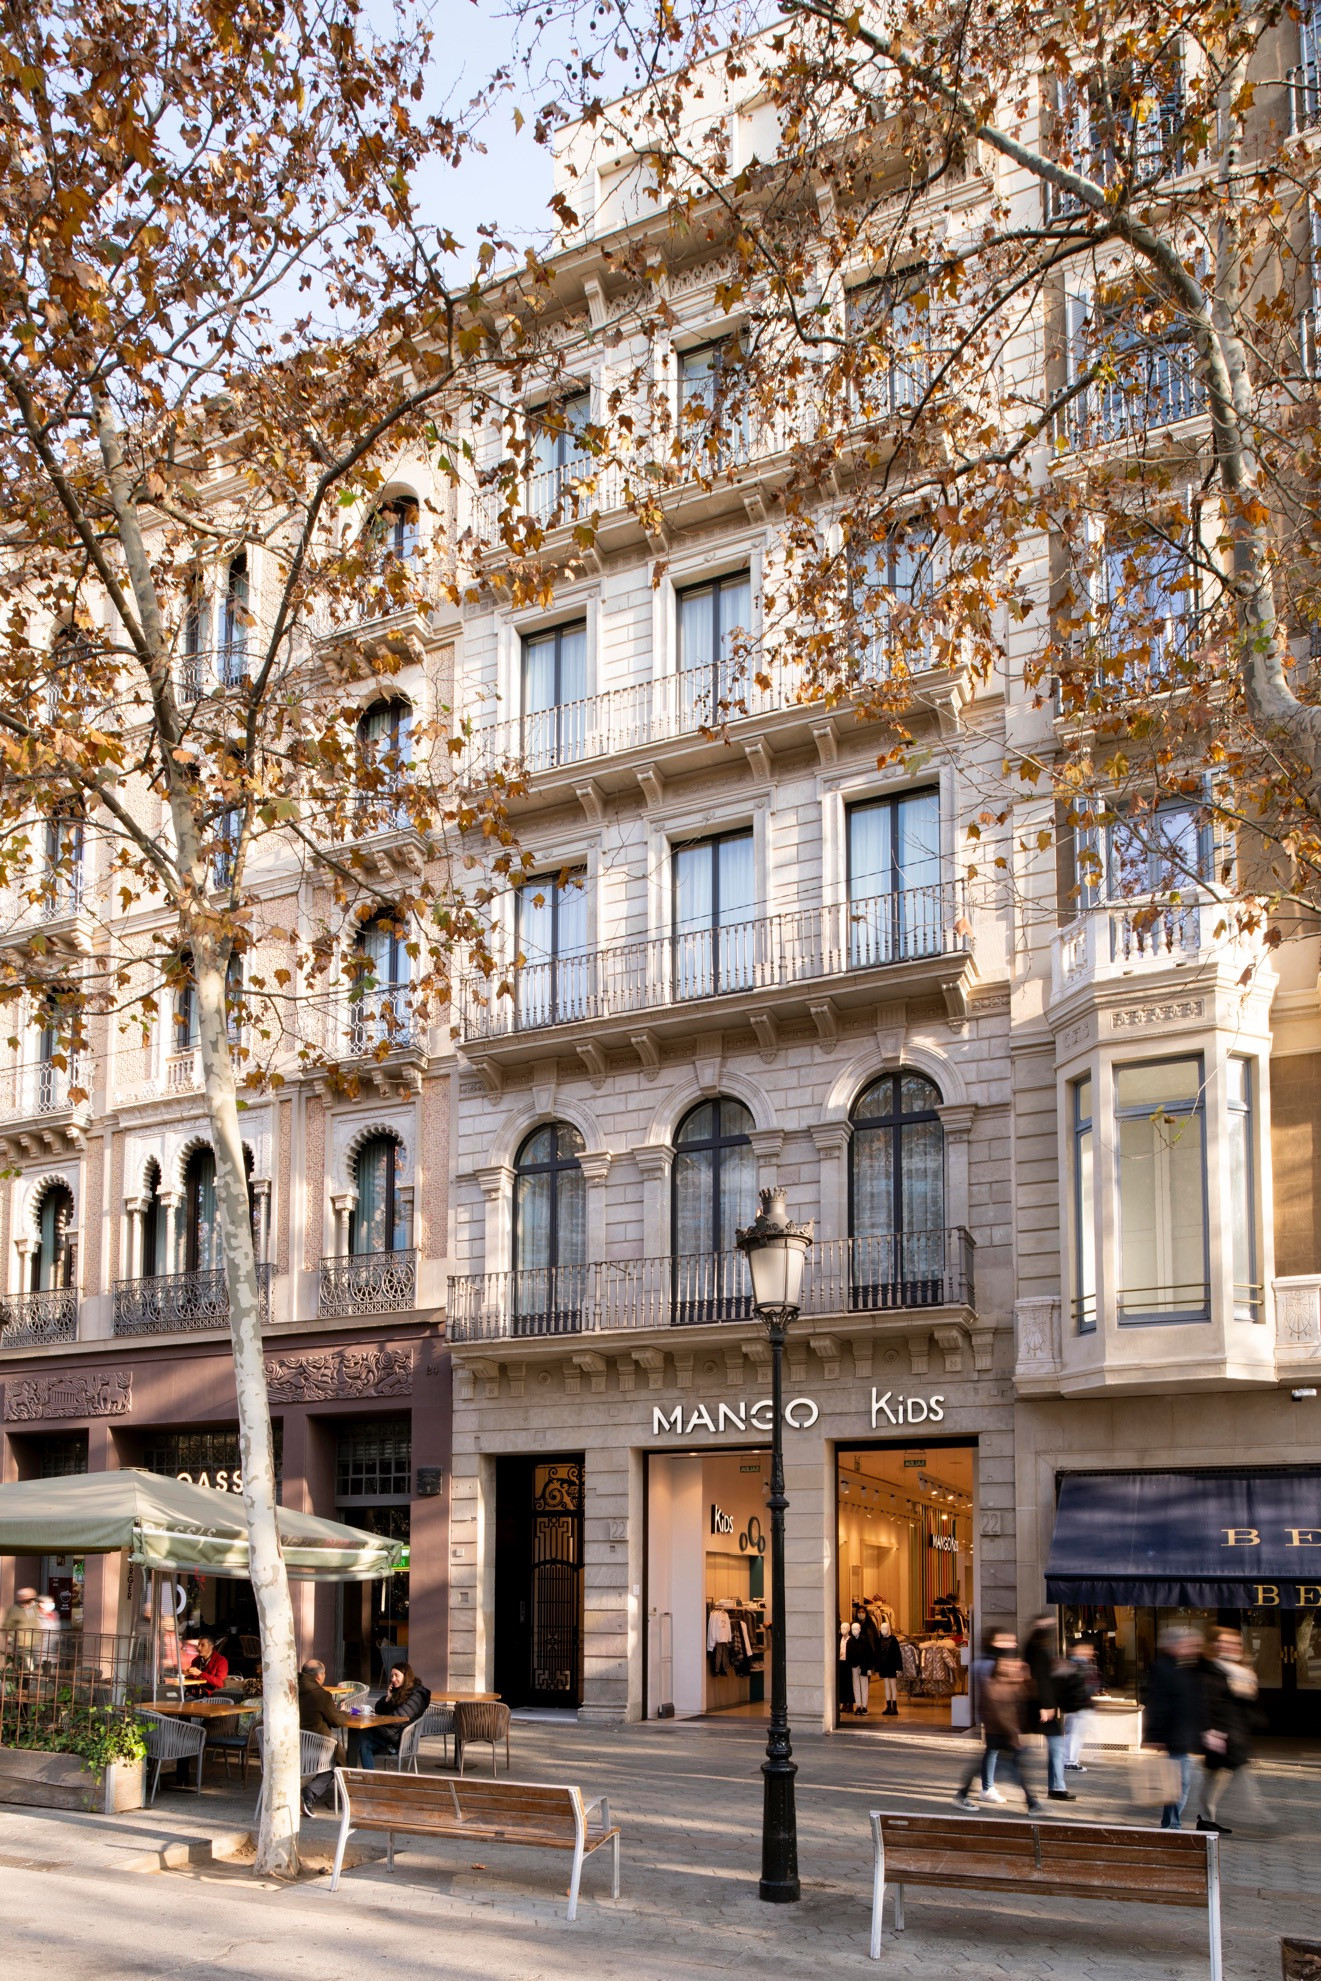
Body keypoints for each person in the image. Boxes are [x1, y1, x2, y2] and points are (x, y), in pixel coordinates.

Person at [954, 1655, 1041, 1813]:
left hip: (1003, 1733)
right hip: (998, 1733)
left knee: (998, 1765)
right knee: (1013, 1767)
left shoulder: (1012, 1684)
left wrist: (1026, 1678)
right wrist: (1013, 1734)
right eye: (1008, 1665)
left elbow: (1028, 1699)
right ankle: (1031, 1803)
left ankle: (964, 1794)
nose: (1012, 1668)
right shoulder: (994, 1685)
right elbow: (999, 1714)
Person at [1197, 1627, 1258, 1835]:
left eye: (1234, 1643)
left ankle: (1206, 1819)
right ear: (1214, 1644)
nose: (1230, 1646)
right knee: (1237, 1774)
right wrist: (1209, 1730)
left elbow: (1247, 1701)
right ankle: (1262, 1819)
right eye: (1224, 1642)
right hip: (1220, 1733)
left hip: (1235, 1732)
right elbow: (1207, 1702)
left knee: (1217, 1778)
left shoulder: (1241, 1670)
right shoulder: (1211, 1669)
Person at [1145, 1625, 1204, 1830]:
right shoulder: (1163, 1667)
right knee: (1178, 1784)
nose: (1192, 1648)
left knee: (1179, 1783)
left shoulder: (1185, 1667)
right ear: (1174, 1644)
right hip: (1174, 1734)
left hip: (1183, 1734)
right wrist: (1155, 1735)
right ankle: (1172, 1826)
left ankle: (1170, 1824)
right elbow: (1158, 1702)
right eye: (1187, 1644)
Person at [1024, 1614, 1074, 1801]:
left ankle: (1057, 1787)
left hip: (1039, 1706)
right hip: (1041, 1707)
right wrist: (1046, 1706)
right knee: (1054, 1746)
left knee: (1054, 1746)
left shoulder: (1035, 1648)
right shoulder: (1037, 1649)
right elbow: (1040, 1679)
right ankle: (1056, 1787)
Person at [350, 1662, 430, 1770]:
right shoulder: (400, 1690)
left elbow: (398, 1719)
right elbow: (379, 1709)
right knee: (364, 1743)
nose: (393, 1679)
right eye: (392, 1676)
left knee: (360, 1735)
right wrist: (388, 1698)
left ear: (406, 1676)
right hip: (390, 1733)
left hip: (400, 1738)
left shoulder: (416, 1695)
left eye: (396, 1675)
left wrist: (375, 1720)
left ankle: (346, 1765)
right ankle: (368, 1776)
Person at [297, 1659, 353, 1813]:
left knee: (336, 1755)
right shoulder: (321, 1695)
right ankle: (309, 1793)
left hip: (292, 1746)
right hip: (316, 1748)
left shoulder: (290, 1689)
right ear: (319, 1676)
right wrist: (344, 1712)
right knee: (338, 1759)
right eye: (324, 1673)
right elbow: (337, 1721)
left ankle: (306, 1793)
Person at [971, 1627, 1018, 1802]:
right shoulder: (988, 1664)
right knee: (996, 1753)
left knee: (995, 1752)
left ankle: (981, 1787)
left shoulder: (995, 1661)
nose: (1011, 1644)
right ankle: (984, 1788)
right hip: (996, 1717)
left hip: (1000, 1717)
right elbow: (993, 1694)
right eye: (1005, 1640)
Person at [1058, 1640, 1099, 1773]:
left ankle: (1071, 1759)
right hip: (1077, 1706)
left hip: (1079, 1705)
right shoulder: (1077, 1665)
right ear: (1077, 1650)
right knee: (1074, 1734)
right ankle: (1069, 1761)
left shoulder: (1081, 1664)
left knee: (1076, 1734)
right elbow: (1079, 1687)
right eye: (1086, 1649)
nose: (1090, 1652)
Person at [874, 1619, 904, 1717]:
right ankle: (888, 1705)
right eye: (881, 1628)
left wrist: (898, 1667)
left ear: (888, 1629)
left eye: (885, 1628)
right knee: (886, 1686)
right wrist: (877, 1668)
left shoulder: (893, 1640)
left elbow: (897, 1654)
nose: (883, 1630)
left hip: (892, 1666)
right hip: (883, 1666)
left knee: (893, 1686)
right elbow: (877, 1655)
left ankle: (894, 1706)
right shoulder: (879, 1640)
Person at [845, 1617, 872, 1717]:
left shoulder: (864, 1640)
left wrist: (868, 1668)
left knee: (864, 1686)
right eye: (853, 1629)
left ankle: (864, 1706)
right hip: (854, 1666)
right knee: (856, 1686)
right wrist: (849, 1666)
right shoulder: (850, 1641)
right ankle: (858, 1706)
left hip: (863, 1666)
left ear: (860, 1630)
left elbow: (868, 1654)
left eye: (856, 1629)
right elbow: (848, 1655)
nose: (854, 1631)